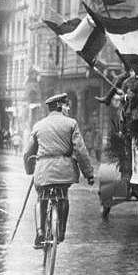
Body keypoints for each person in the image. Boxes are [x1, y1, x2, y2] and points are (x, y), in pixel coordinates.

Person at [23, 93, 94, 249]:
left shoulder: (38, 125)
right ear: (61, 106)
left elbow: (28, 152)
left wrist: (30, 170)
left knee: (41, 197)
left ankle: (40, 233)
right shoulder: (71, 124)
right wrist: (89, 174)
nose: (68, 108)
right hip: (64, 171)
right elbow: (81, 151)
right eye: (67, 105)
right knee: (63, 197)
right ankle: (60, 232)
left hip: (43, 171)